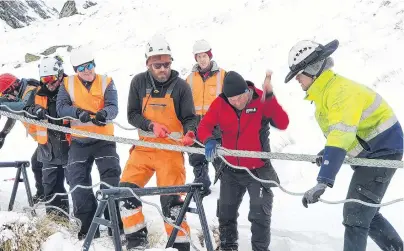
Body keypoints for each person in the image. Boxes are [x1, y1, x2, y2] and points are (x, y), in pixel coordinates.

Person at [284, 39, 403, 251]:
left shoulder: (340, 92)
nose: (297, 80)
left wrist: (323, 180)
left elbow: (341, 136)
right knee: (367, 213)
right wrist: (329, 151)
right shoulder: (326, 93)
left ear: (312, 70)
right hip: (372, 153)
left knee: (356, 215)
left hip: (382, 152)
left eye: (299, 74)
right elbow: (342, 135)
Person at [119, 34, 197, 251]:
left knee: (172, 203)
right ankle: (137, 244)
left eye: (166, 64)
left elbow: (190, 118)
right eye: (157, 65)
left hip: (170, 151)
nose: (163, 69)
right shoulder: (138, 82)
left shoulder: (181, 87)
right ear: (148, 63)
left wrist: (190, 133)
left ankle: (180, 247)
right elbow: (132, 115)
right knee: (125, 192)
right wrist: (151, 125)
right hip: (143, 148)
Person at [197, 71, 289, 251]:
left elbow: (283, 123)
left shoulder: (261, 99)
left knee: (259, 216)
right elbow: (204, 125)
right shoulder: (220, 103)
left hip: (258, 170)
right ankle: (227, 247)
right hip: (231, 169)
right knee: (225, 214)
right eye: (233, 99)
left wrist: (270, 98)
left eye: (241, 97)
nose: (238, 102)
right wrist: (209, 139)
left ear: (247, 91)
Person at [56, 46, 123, 239]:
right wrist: (77, 113)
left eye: (90, 65)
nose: (87, 70)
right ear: (76, 70)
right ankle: (87, 227)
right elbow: (61, 108)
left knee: (110, 180)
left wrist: (104, 114)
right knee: (78, 182)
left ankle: (115, 225)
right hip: (79, 142)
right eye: (82, 67)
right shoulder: (66, 84)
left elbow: (113, 107)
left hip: (104, 140)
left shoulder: (106, 81)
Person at [23, 56, 70, 216]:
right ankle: (56, 221)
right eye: (44, 79)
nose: (48, 83)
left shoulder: (72, 88)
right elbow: (26, 109)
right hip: (47, 149)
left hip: (70, 147)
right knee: (50, 185)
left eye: (51, 78)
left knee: (77, 185)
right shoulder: (38, 93)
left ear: (60, 74)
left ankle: (83, 222)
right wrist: (34, 111)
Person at [185, 39, 226, 197]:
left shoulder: (223, 76)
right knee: (196, 156)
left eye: (205, 56)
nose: (202, 59)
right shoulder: (189, 79)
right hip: (195, 123)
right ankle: (201, 183)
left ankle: (227, 184)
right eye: (199, 56)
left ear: (210, 56)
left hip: (216, 124)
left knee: (218, 155)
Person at [0, 73, 44, 203]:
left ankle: (46, 195)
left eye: (6, 92)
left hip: (54, 136)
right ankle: (44, 193)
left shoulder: (30, 91)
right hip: (44, 139)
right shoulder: (18, 94)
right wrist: (3, 134)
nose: (7, 96)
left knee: (39, 164)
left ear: (14, 85)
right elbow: (13, 115)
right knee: (38, 164)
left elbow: (21, 108)